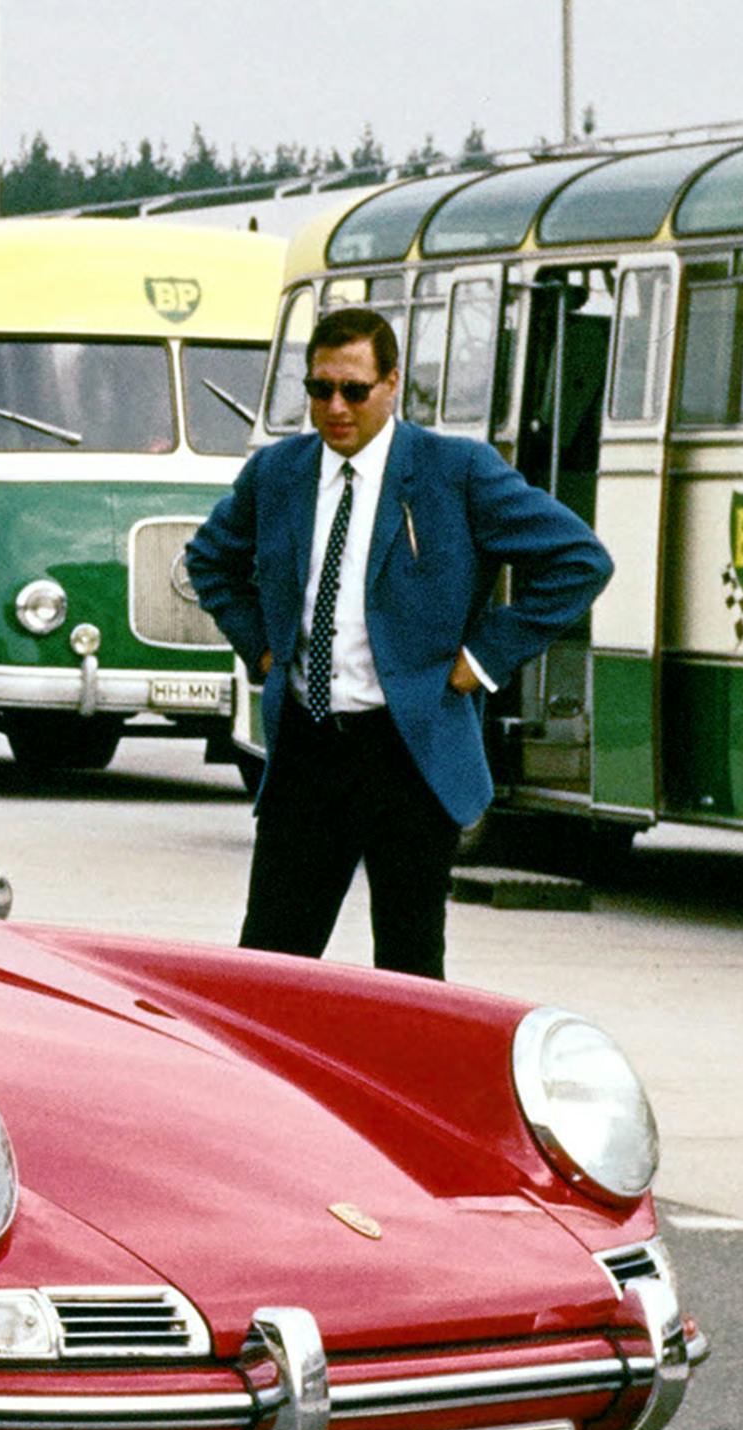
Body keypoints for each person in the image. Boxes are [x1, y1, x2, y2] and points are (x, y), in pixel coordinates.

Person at [183, 306, 611, 980]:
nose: (335, 407)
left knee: (410, 967)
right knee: (269, 964)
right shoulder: (278, 473)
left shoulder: (456, 471)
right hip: (307, 748)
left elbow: (579, 561)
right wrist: (262, 650)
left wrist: (481, 661)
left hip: (409, 753)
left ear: (393, 384)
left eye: (354, 390)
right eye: (320, 389)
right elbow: (209, 560)